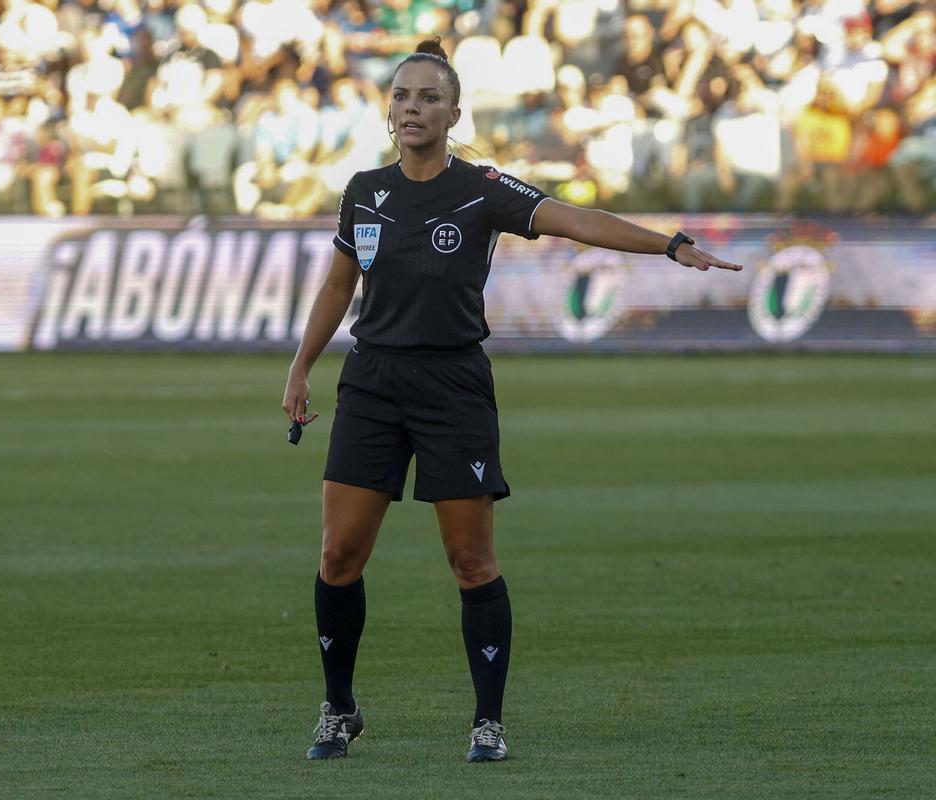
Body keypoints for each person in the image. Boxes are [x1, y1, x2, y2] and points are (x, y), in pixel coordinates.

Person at [280, 37, 742, 764]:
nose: (413, 108)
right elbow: (340, 285)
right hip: (370, 383)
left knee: (471, 561)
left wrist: (668, 243)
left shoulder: (483, 187)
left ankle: (487, 724)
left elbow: (576, 219)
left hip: (452, 387)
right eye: (402, 96)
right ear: (388, 108)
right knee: (339, 554)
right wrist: (301, 366)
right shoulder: (363, 189)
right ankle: (338, 708)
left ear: (454, 112)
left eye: (429, 97)